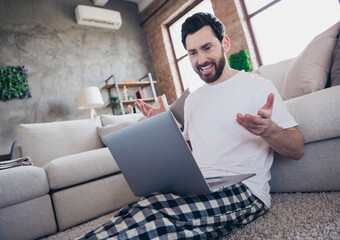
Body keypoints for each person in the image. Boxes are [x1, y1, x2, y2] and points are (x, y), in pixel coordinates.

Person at [78, 12, 304, 240]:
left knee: (158, 222)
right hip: (201, 183)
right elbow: (192, 149)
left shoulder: (258, 87)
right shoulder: (193, 100)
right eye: (193, 52)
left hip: (245, 189)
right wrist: (164, 128)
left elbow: (297, 149)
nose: (201, 60)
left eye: (207, 47)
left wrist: (268, 129)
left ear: (224, 43)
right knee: (146, 205)